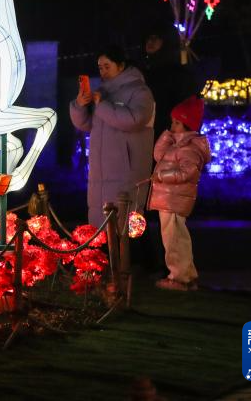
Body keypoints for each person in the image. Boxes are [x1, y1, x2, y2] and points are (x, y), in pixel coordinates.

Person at [70, 46, 155, 228]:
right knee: (100, 225)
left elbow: (134, 120)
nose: (103, 72)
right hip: (100, 169)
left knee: (126, 226)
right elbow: (85, 124)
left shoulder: (140, 91)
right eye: (100, 67)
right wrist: (79, 105)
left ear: (121, 66)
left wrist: (102, 105)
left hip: (127, 169)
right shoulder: (102, 92)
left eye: (107, 66)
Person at [150, 95, 210, 292]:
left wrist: (161, 176)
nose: (172, 126)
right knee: (175, 238)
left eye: (176, 123)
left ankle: (179, 278)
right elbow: (158, 155)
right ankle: (187, 276)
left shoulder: (189, 149)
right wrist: (168, 136)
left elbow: (187, 172)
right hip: (169, 198)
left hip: (174, 199)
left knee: (174, 240)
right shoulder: (177, 145)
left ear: (187, 124)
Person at [142, 30, 200, 137]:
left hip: (167, 135)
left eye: (155, 38)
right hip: (145, 134)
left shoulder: (178, 74)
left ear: (167, 41)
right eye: (148, 38)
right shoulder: (143, 71)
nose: (150, 42)